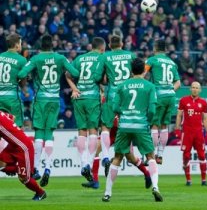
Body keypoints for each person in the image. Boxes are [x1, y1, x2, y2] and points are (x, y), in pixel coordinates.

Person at [17, 34, 80, 187]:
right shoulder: (60, 58)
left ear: (40, 46)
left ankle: (36, 168)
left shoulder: (36, 59)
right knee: (49, 133)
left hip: (40, 100)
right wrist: (65, 74)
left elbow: (21, 74)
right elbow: (76, 73)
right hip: (54, 99)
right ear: (52, 45)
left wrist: (32, 75)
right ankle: (48, 167)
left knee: (39, 133)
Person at [102, 58, 163, 202]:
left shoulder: (122, 86)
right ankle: (155, 187)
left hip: (124, 126)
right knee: (150, 156)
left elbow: (115, 107)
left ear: (131, 70)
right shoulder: (149, 86)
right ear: (144, 71)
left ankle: (107, 193)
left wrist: (123, 114)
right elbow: (153, 109)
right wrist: (147, 120)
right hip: (141, 125)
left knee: (117, 157)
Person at [93, 35, 148, 178]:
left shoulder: (105, 56)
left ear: (110, 45)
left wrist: (106, 81)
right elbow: (139, 72)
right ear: (122, 43)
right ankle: (147, 160)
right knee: (129, 138)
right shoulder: (130, 55)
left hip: (112, 97)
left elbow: (98, 77)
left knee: (105, 128)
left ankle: (105, 159)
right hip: (128, 99)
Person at [65, 37, 106, 184]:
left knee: (81, 131)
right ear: (102, 49)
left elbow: (67, 75)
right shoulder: (102, 58)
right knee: (93, 131)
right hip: (92, 98)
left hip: (79, 98)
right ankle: (88, 163)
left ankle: (83, 164)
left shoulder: (80, 58)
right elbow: (104, 79)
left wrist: (75, 89)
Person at [145, 39, 181, 164]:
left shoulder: (152, 60)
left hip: (158, 95)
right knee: (164, 125)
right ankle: (160, 155)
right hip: (170, 96)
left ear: (155, 48)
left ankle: (152, 155)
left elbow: (142, 73)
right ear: (165, 50)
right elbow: (178, 83)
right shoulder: (172, 63)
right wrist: (170, 90)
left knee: (154, 125)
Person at [0, 111, 46, 200]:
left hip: (23, 147)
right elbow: (12, 117)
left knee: (24, 178)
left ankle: (40, 193)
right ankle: (18, 169)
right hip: (13, 145)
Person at [175, 81, 207, 186]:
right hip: (187, 132)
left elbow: (205, 118)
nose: (195, 89)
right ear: (190, 89)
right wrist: (177, 129)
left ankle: (203, 180)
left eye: (197, 88)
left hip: (198, 132)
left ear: (200, 90)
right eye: (193, 87)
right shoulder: (183, 100)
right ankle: (188, 180)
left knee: (202, 155)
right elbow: (179, 116)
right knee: (186, 156)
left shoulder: (203, 102)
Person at [0, 34, 27, 127]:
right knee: (16, 127)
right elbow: (23, 80)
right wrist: (23, 87)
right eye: (20, 43)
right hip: (12, 99)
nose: (21, 45)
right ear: (16, 45)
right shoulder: (22, 60)